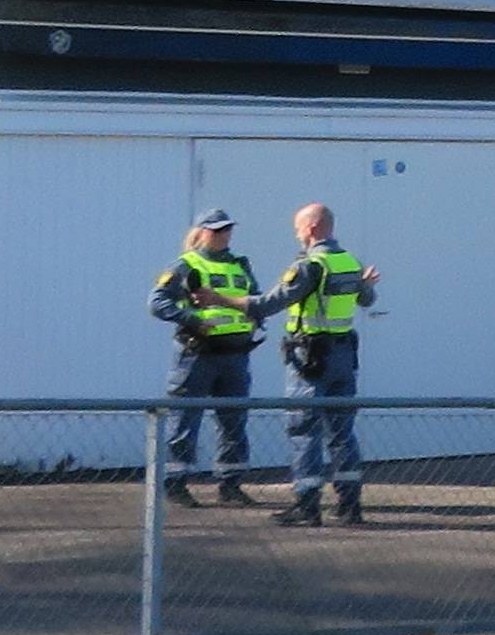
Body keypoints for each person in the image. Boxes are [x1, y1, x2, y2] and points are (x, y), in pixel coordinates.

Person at [273, 200, 385, 525]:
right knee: (341, 431)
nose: (296, 235)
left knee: (303, 428)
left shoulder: (310, 265)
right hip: (343, 357)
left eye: (298, 229)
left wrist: (231, 302)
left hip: (310, 359)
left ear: (310, 228)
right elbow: (367, 299)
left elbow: (273, 301)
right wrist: (364, 285)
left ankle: (307, 505)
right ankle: (350, 505)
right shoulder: (349, 261)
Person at [149, 206, 264, 502]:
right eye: (218, 230)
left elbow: (255, 299)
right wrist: (193, 320)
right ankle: (175, 483)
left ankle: (230, 484)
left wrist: (257, 320)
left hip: (235, 354)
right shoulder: (186, 265)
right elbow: (157, 303)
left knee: (234, 421)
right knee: (184, 419)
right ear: (202, 233)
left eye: (228, 229)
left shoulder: (240, 265)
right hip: (197, 354)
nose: (225, 234)